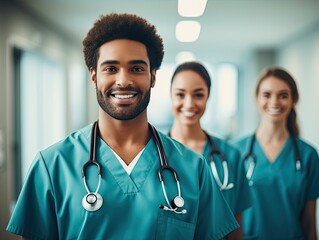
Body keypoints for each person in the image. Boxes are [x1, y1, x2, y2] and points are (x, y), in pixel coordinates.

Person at [6, 13, 240, 239]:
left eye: (137, 69)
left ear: (153, 77)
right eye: (111, 68)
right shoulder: (52, 166)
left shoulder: (192, 168)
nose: (124, 80)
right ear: (93, 75)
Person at [232, 66, 319, 239]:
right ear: (257, 99)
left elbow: (310, 225)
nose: (275, 102)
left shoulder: (308, 155)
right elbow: (229, 219)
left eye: (283, 95)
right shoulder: (236, 152)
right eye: (267, 95)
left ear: (294, 100)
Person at [168, 61, 252, 239]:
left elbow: (236, 224)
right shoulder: (154, 153)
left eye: (198, 95)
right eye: (180, 94)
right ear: (170, 96)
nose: (189, 103)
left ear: (208, 96)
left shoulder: (231, 156)